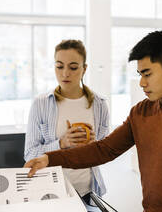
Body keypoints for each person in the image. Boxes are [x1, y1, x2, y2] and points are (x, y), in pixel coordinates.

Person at [25, 31, 162, 211]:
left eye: (147, 74)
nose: (141, 83)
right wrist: (49, 159)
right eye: (139, 74)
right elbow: (104, 150)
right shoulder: (141, 112)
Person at [24, 39, 109, 205]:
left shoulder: (99, 104)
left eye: (73, 67)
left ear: (84, 69)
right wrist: (61, 143)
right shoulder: (41, 104)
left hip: (87, 190)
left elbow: (105, 152)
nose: (65, 73)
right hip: (50, 190)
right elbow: (29, 154)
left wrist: (94, 145)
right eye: (59, 66)